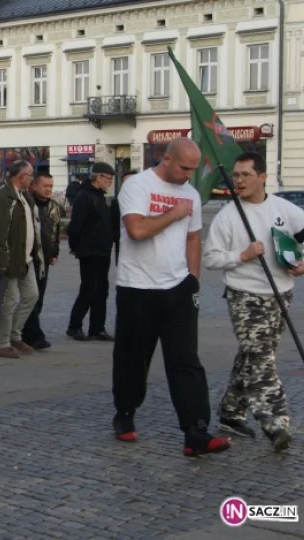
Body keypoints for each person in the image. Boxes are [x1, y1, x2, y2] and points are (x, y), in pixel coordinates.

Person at [112, 137, 231, 457]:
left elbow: (194, 238)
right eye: (184, 167)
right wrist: (175, 213)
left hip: (178, 287)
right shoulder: (137, 185)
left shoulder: (191, 194)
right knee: (133, 356)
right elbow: (136, 230)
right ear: (166, 159)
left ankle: (196, 431)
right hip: (136, 286)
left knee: (186, 360)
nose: (188, 175)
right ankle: (125, 415)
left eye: (193, 169)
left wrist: (193, 279)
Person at [203, 151, 301, 453]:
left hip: (280, 292)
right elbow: (210, 258)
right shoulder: (228, 216)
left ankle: (230, 413)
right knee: (262, 360)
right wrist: (242, 255)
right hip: (244, 295)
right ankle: (275, 422)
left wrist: (301, 264)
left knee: (252, 355)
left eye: (246, 175)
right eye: (236, 175)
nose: (239, 181)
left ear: (262, 177)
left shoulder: (285, 209)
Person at [0, 160, 43, 359]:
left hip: (26, 259)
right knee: (9, 302)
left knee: (31, 295)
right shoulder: (5, 196)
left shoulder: (24, 195)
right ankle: (2, 343)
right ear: (21, 177)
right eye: (30, 175)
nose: (32, 178)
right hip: (11, 260)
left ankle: (15, 334)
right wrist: (2, 261)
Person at [67, 162, 115, 342]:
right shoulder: (84, 196)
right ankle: (74, 326)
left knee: (102, 290)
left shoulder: (100, 197)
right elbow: (75, 226)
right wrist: (75, 247)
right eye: (108, 179)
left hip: (103, 251)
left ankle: (97, 328)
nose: (110, 183)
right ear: (98, 177)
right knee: (88, 289)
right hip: (89, 251)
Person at [21, 173, 60, 350]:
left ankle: (26, 332)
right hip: (29, 258)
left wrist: (54, 252)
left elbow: (55, 232)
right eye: (45, 185)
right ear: (34, 186)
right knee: (31, 297)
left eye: (51, 186)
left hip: (45, 259)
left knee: (39, 298)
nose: (48, 189)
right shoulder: (27, 204)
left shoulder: (54, 206)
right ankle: (34, 336)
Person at [111, 170, 138, 266]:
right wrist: (118, 237)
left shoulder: (147, 200)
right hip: (123, 247)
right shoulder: (116, 201)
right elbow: (112, 224)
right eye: (126, 182)